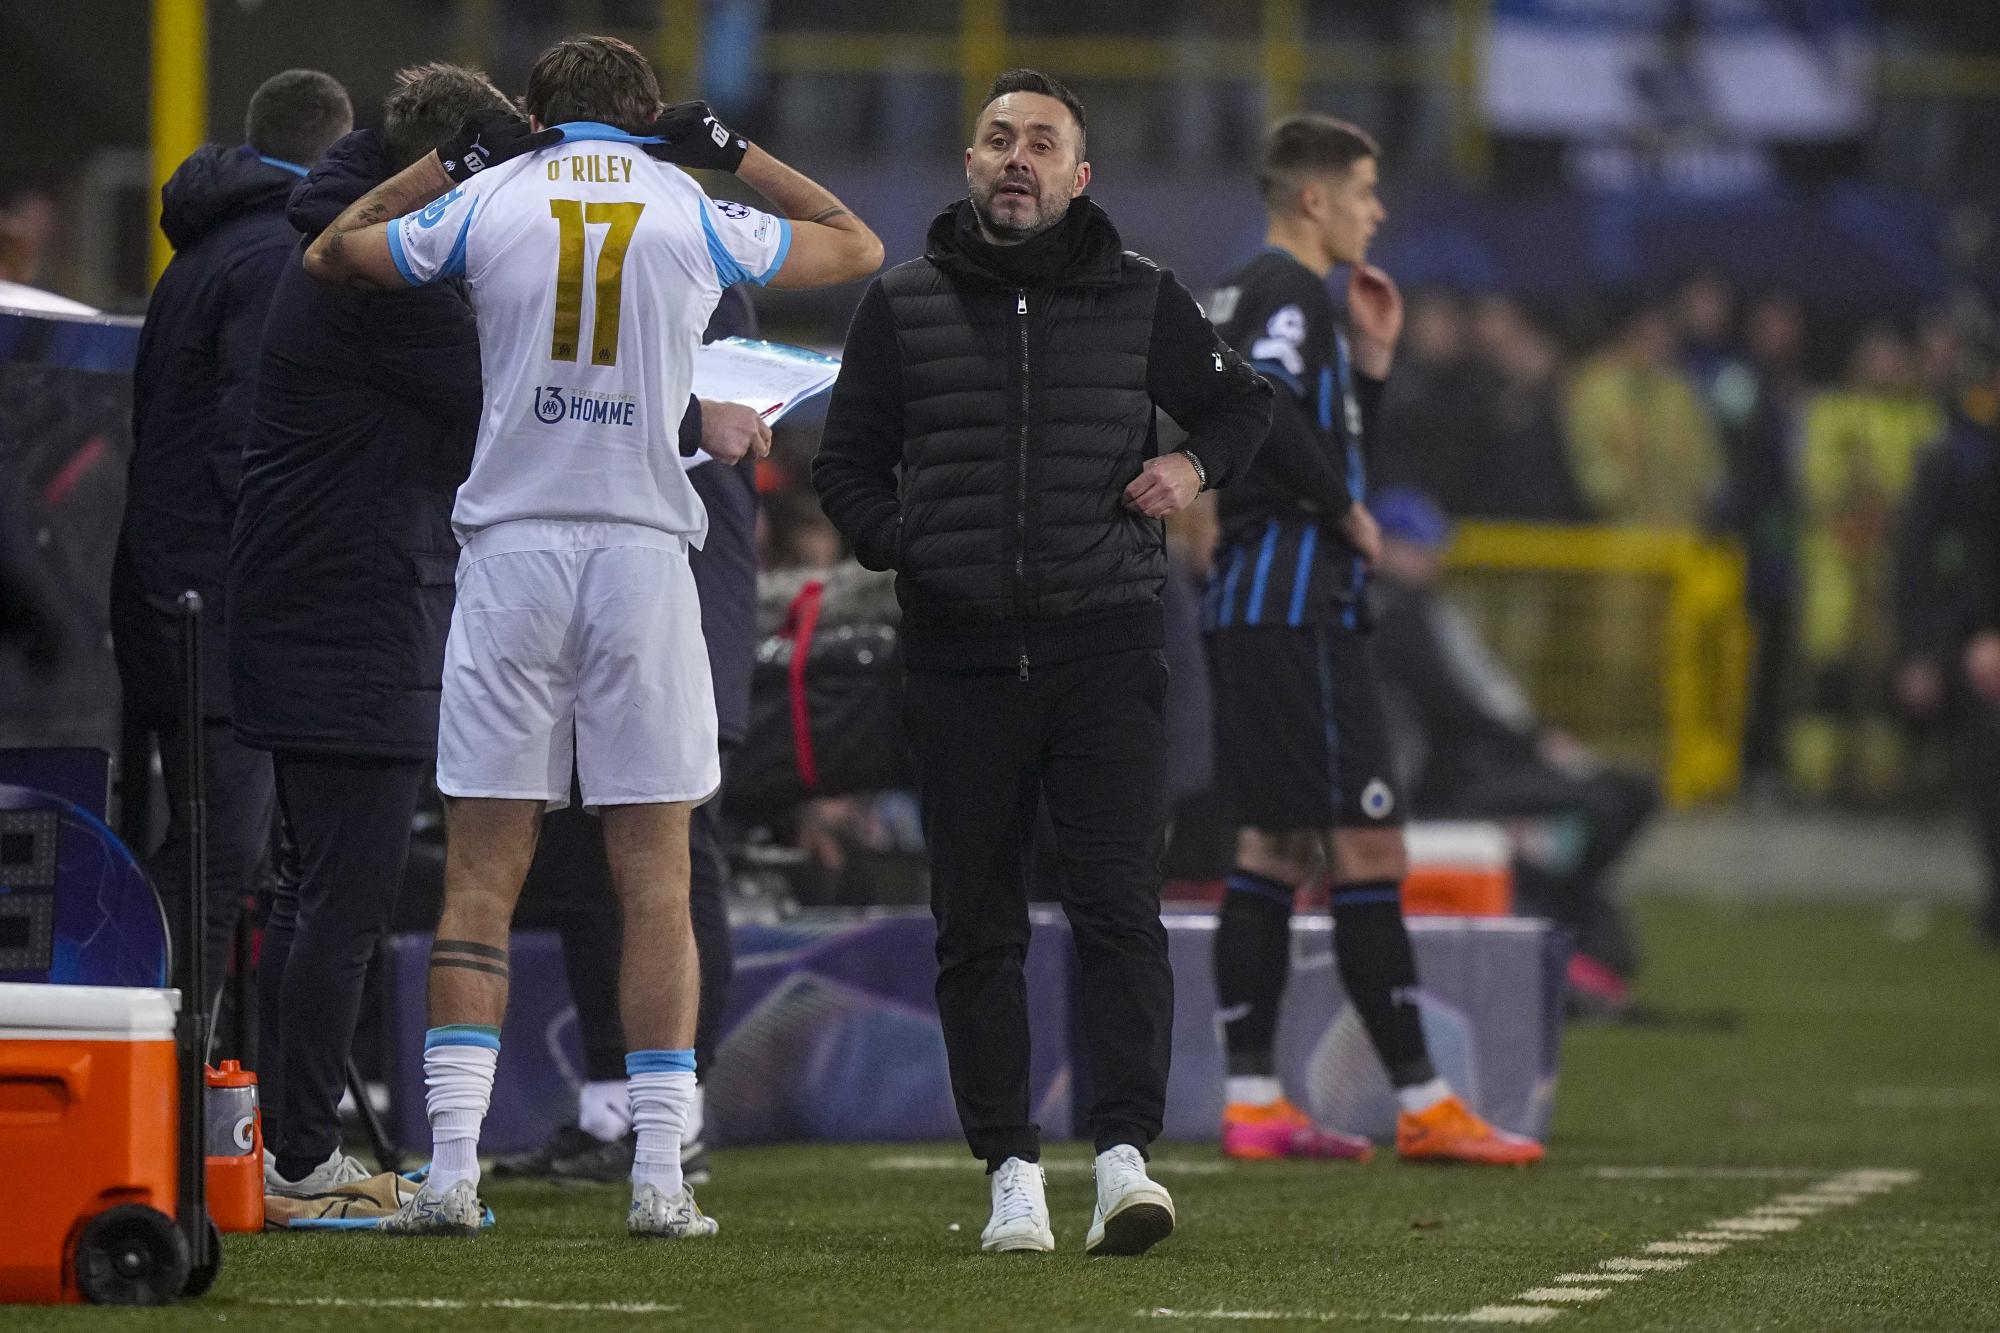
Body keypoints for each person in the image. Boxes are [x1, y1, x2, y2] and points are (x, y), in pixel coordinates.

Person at [302, 32, 882, 1237]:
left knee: (480, 874)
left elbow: (330, 250)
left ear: (535, 114)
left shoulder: (489, 195)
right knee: (654, 875)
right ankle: (661, 1178)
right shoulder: (687, 200)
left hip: (510, 557)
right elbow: (856, 244)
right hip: (638, 556)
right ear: (646, 115)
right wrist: (730, 151)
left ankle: (453, 1173)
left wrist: (453, 163)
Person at [811, 69, 1272, 1256]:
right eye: (996, 138)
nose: (1014, 157)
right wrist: (903, 540)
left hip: (1105, 648)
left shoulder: (1144, 298)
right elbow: (845, 465)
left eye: (1040, 143)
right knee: (975, 926)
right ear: (968, 165)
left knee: (1119, 909)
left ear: (1078, 176)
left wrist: (1191, 472)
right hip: (958, 663)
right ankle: (1010, 1170)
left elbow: (1243, 411)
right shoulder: (900, 302)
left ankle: (1123, 1159)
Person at [1201, 113, 1543, 1167]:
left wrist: (1376, 369)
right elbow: (1261, 414)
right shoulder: (1284, 292)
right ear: (1313, 198)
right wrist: (1347, 517)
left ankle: (1255, 1099)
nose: (1375, 211)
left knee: (1271, 845)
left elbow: (1300, 431)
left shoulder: (1279, 301)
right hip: (1298, 605)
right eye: (1362, 191)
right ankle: (1421, 1100)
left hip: (1265, 603)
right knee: (1367, 845)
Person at [231, 64, 521, 1201]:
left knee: (317, 895)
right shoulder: (389, 284)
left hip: (318, 594)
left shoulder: (352, 238)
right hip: (351, 609)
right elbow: (506, 398)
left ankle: (286, 1143)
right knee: (341, 899)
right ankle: (300, 1156)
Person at [494, 284, 764, 1186]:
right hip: (591, 585)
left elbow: (668, 422)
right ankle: (611, 1104)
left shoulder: (695, 265)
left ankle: (675, 1107)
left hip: (685, 587)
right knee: (580, 855)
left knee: (677, 847)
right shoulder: (586, 255)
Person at [110, 69, 353, 1014]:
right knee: (221, 858)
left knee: (217, 846)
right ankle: (165, 1084)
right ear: (336, 152)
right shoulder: (275, 261)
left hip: (161, 590)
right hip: (216, 607)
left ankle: (179, 1077)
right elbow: (250, 450)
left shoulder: (203, 251)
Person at [1368, 487, 1657, 1011]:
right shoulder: (1398, 615)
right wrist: (1535, 744)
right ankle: (1567, 916)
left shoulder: (1408, 610)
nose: (1432, 561)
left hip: (1463, 771)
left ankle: (1566, 912)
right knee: (1614, 801)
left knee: (1613, 803)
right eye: (1419, 548)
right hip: (1450, 783)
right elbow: (1458, 706)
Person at [1902, 334, 2000, 946]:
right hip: (1975, 638)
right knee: (1985, 769)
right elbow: (1920, 560)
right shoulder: (1955, 457)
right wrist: (1926, 646)